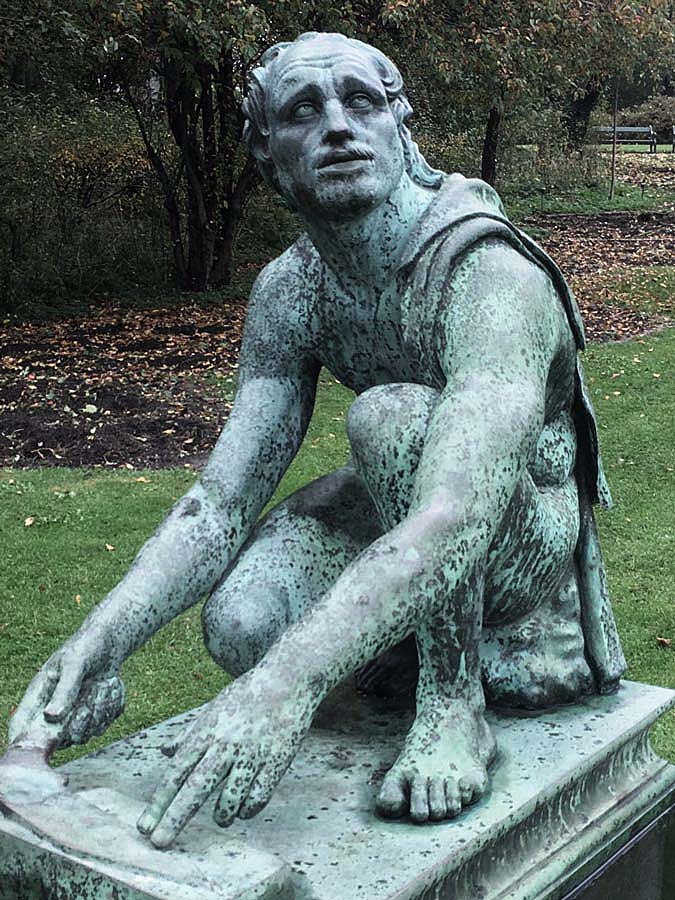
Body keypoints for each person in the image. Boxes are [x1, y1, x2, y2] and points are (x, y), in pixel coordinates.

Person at [8, 32, 625, 850]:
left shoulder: (485, 275)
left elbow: (458, 512)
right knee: (243, 623)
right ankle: (386, 645)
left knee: (390, 417)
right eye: (304, 110)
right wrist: (103, 640)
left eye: (359, 102)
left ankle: (453, 704)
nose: (337, 126)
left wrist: (288, 685)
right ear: (271, 159)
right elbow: (219, 502)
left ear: (399, 129)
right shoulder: (290, 289)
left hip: (517, 530)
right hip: (409, 495)